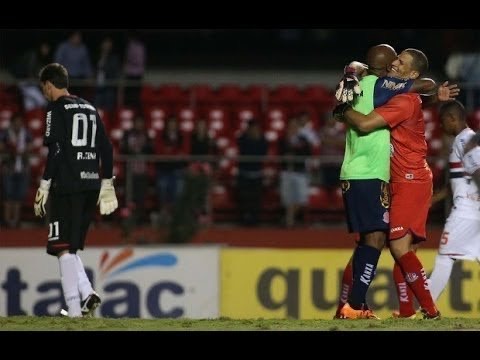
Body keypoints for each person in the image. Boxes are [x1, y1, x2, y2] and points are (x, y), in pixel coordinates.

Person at [337, 48, 444, 319]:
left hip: (405, 178)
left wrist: (341, 106)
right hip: (383, 176)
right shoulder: (389, 90)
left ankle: (423, 311)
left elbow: (409, 101)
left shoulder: (369, 87)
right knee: (378, 242)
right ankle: (355, 307)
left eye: (402, 62)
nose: (396, 64)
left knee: (391, 245)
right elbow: (417, 94)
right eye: (395, 60)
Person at [34, 63, 118, 317]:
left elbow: (57, 150)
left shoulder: (56, 108)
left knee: (60, 247)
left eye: (44, 89)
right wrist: (107, 182)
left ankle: (72, 311)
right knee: (69, 247)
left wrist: (45, 183)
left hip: (68, 184)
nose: (44, 94)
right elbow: (107, 148)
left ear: (49, 84)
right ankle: (87, 293)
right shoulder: (90, 107)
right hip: (91, 184)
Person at [427, 100, 480, 302]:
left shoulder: (464, 141)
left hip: (466, 211)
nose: (441, 126)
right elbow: (459, 180)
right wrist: (435, 199)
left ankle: (427, 307)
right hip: (473, 209)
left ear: (452, 118)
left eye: (443, 121)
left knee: (445, 256)